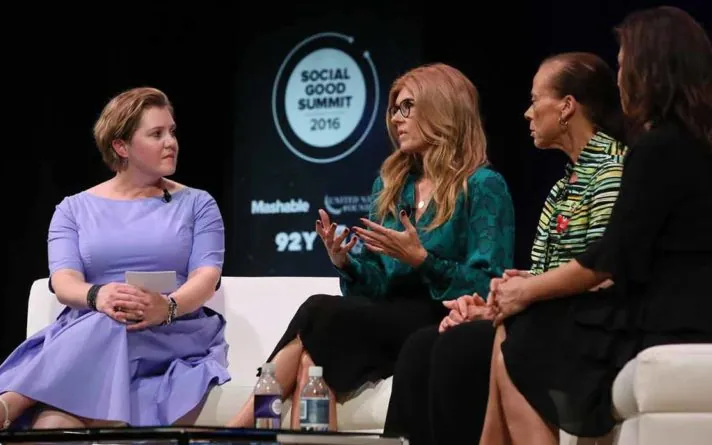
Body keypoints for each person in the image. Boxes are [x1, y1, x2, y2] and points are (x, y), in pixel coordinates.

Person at [225, 63, 516, 430]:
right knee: (311, 359)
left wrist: (422, 260)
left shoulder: (483, 185)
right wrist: (346, 263)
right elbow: (377, 283)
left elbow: (487, 282)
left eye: (407, 106)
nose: (397, 118)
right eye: (394, 109)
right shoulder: (392, 184)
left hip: (441, 321)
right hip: (385, 319)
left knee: (317, 316)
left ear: (442, 109)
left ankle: (240, 427)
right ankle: (254, 429)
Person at [480, 6, 712, 444]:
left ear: (650, 71)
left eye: (625, 67)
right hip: (682, 309)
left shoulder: (656, 149)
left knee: (521, 331)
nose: (620, 80)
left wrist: (525, 290)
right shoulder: (695, 143)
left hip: (669, 319)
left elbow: (609, 260)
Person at [383, 52, 628, 445]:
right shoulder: (562, 187)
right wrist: (491, 303)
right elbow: (545, 274)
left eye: (535, 100)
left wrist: (517, 297)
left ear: (566, 107)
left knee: (459, 348)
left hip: (591, 321)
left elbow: (604, 270)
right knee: (422, 346)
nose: (527, 113)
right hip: (549, 313)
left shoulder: (612, 173)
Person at [0, 87, 230, 430]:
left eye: (172, 132)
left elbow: (207, 276)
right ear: (121, 146)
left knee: (111, 316)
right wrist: (98, 296)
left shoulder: (198, 204)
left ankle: (11, 402)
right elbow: (63, 280)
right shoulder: (73, 209)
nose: (170, 142)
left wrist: (167, 306)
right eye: (156, 134)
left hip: (173, 332)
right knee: (51, 427)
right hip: (92, 335)